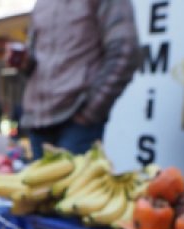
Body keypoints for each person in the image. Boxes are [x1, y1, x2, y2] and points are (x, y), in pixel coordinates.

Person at [22, 0, 141, 155]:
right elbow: (36, 58)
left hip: (76, 120)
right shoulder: (42, 4)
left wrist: (89, 113)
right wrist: (24, 61)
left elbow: (126, 51)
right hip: (38, 123)